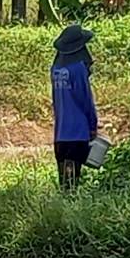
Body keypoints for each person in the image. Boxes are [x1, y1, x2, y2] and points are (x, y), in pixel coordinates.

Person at [50, 24, 98, 191]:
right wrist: (93, 126)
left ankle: (60, 213)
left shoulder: (56, 69)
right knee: (73, 186)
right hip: (78, 134)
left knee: (65, 184)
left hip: (60, 135)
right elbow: (86, 100)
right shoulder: (78, 69)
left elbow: (56, 101)